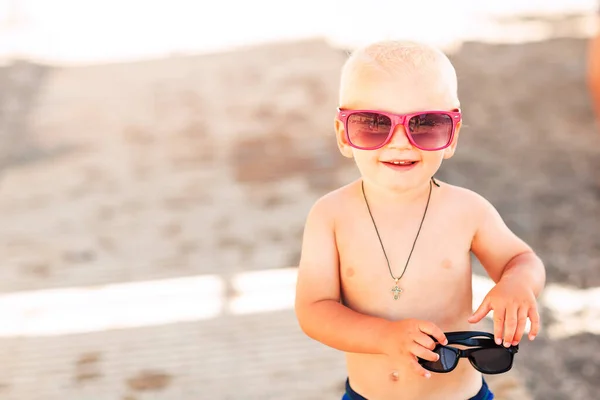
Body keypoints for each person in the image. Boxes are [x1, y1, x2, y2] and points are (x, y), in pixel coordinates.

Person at [294, 40, 546, 400]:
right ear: (343, 136)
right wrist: (383, 336)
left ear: (452, 135)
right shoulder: (330, 216)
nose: (400, 143)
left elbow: (520, 260)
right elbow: (314, 310)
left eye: (425, 125)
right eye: (373, 125)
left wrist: (518, 284)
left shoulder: (467, 210)